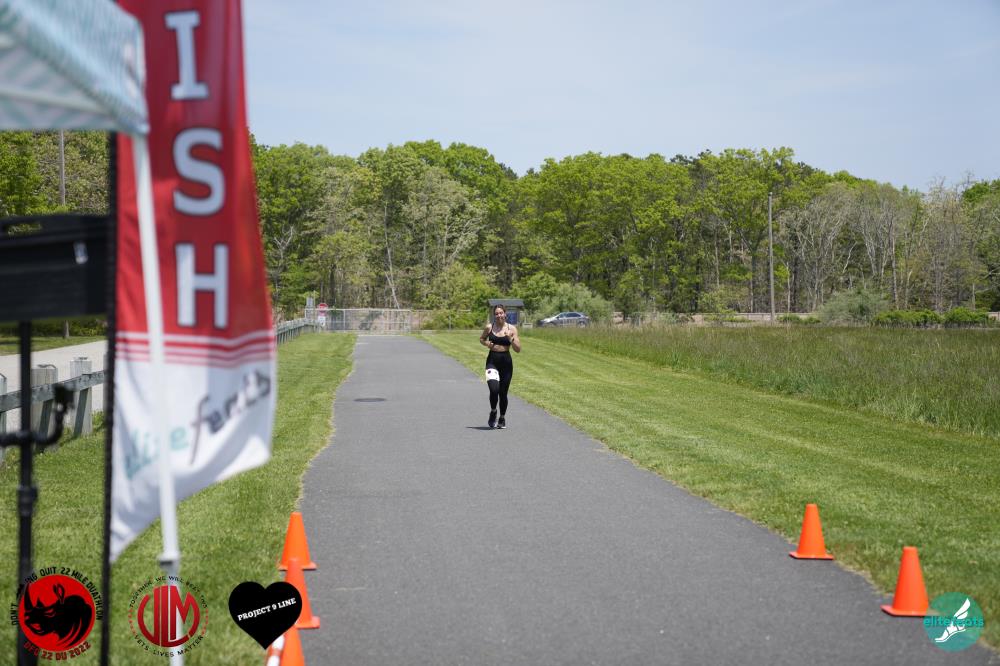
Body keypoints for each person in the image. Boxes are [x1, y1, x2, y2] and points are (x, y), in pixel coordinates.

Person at [479, 304, 521, 428]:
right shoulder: (489, 327)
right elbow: (481, 339)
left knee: (503, 393)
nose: (499, 315)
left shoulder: (511, 329)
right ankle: (493, 412)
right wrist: (486, 343)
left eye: (501, 313)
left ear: (505, 314)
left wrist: (510, 338)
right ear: (494, 315)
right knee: (494, 390)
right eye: (496, 313)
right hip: (492, 361)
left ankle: (502, 418)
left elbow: (518, 349)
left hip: (506, 363)